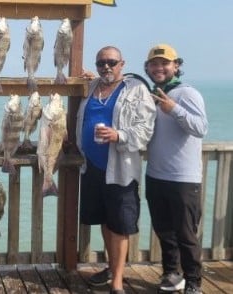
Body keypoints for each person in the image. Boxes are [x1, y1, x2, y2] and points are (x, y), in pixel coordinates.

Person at [76, 46, 156, 294]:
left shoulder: (136, 90)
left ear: (122, 63)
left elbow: (145, 131)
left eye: (111, 62)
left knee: (120, 225)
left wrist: (117, 134)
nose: (106, 67)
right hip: (91, 167)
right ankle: (112, 268)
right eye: (101, 63)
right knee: (105, 221)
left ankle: (118, 283)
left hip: (120, 169)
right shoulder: (91, 87)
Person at [144, 44, 208, 294]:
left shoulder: (187, 93)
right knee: (164, 231)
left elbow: (201, 128)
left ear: (176, 66)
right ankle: (171, 273)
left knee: (186, 235)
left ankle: (194, 281)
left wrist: (174, 109)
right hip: (155, 174)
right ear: (147, 67)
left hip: (184, 178)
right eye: (154, 64)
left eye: (164, 63)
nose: (159, 68)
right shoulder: (153, 94)